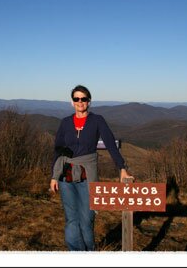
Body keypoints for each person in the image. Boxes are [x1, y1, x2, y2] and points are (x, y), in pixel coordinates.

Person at [49, 85, 133, 251]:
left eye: (84, 99)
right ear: (71, 102)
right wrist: (54, 175)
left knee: (87, 219)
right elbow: (58, 149)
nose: (80, 102)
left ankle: (89, 251)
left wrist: (121, 167)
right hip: (65, 176)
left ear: (89, 101)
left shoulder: (97, 120)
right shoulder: (65, 122)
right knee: (71, 219)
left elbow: (110, 143)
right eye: (76, 99)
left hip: (87, 175)